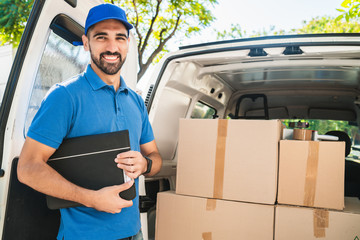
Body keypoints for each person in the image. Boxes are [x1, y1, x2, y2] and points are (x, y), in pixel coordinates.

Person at [17, 3, 162, 240]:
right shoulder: (64, 96)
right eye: (101, 37)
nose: (112, 46)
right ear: (86, 42)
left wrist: (145, 164)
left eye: (120, 38)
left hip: (134, 232)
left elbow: (156, 158)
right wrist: (91, 199)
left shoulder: (136, 101)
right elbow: (27, 168)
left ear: (127, 44)